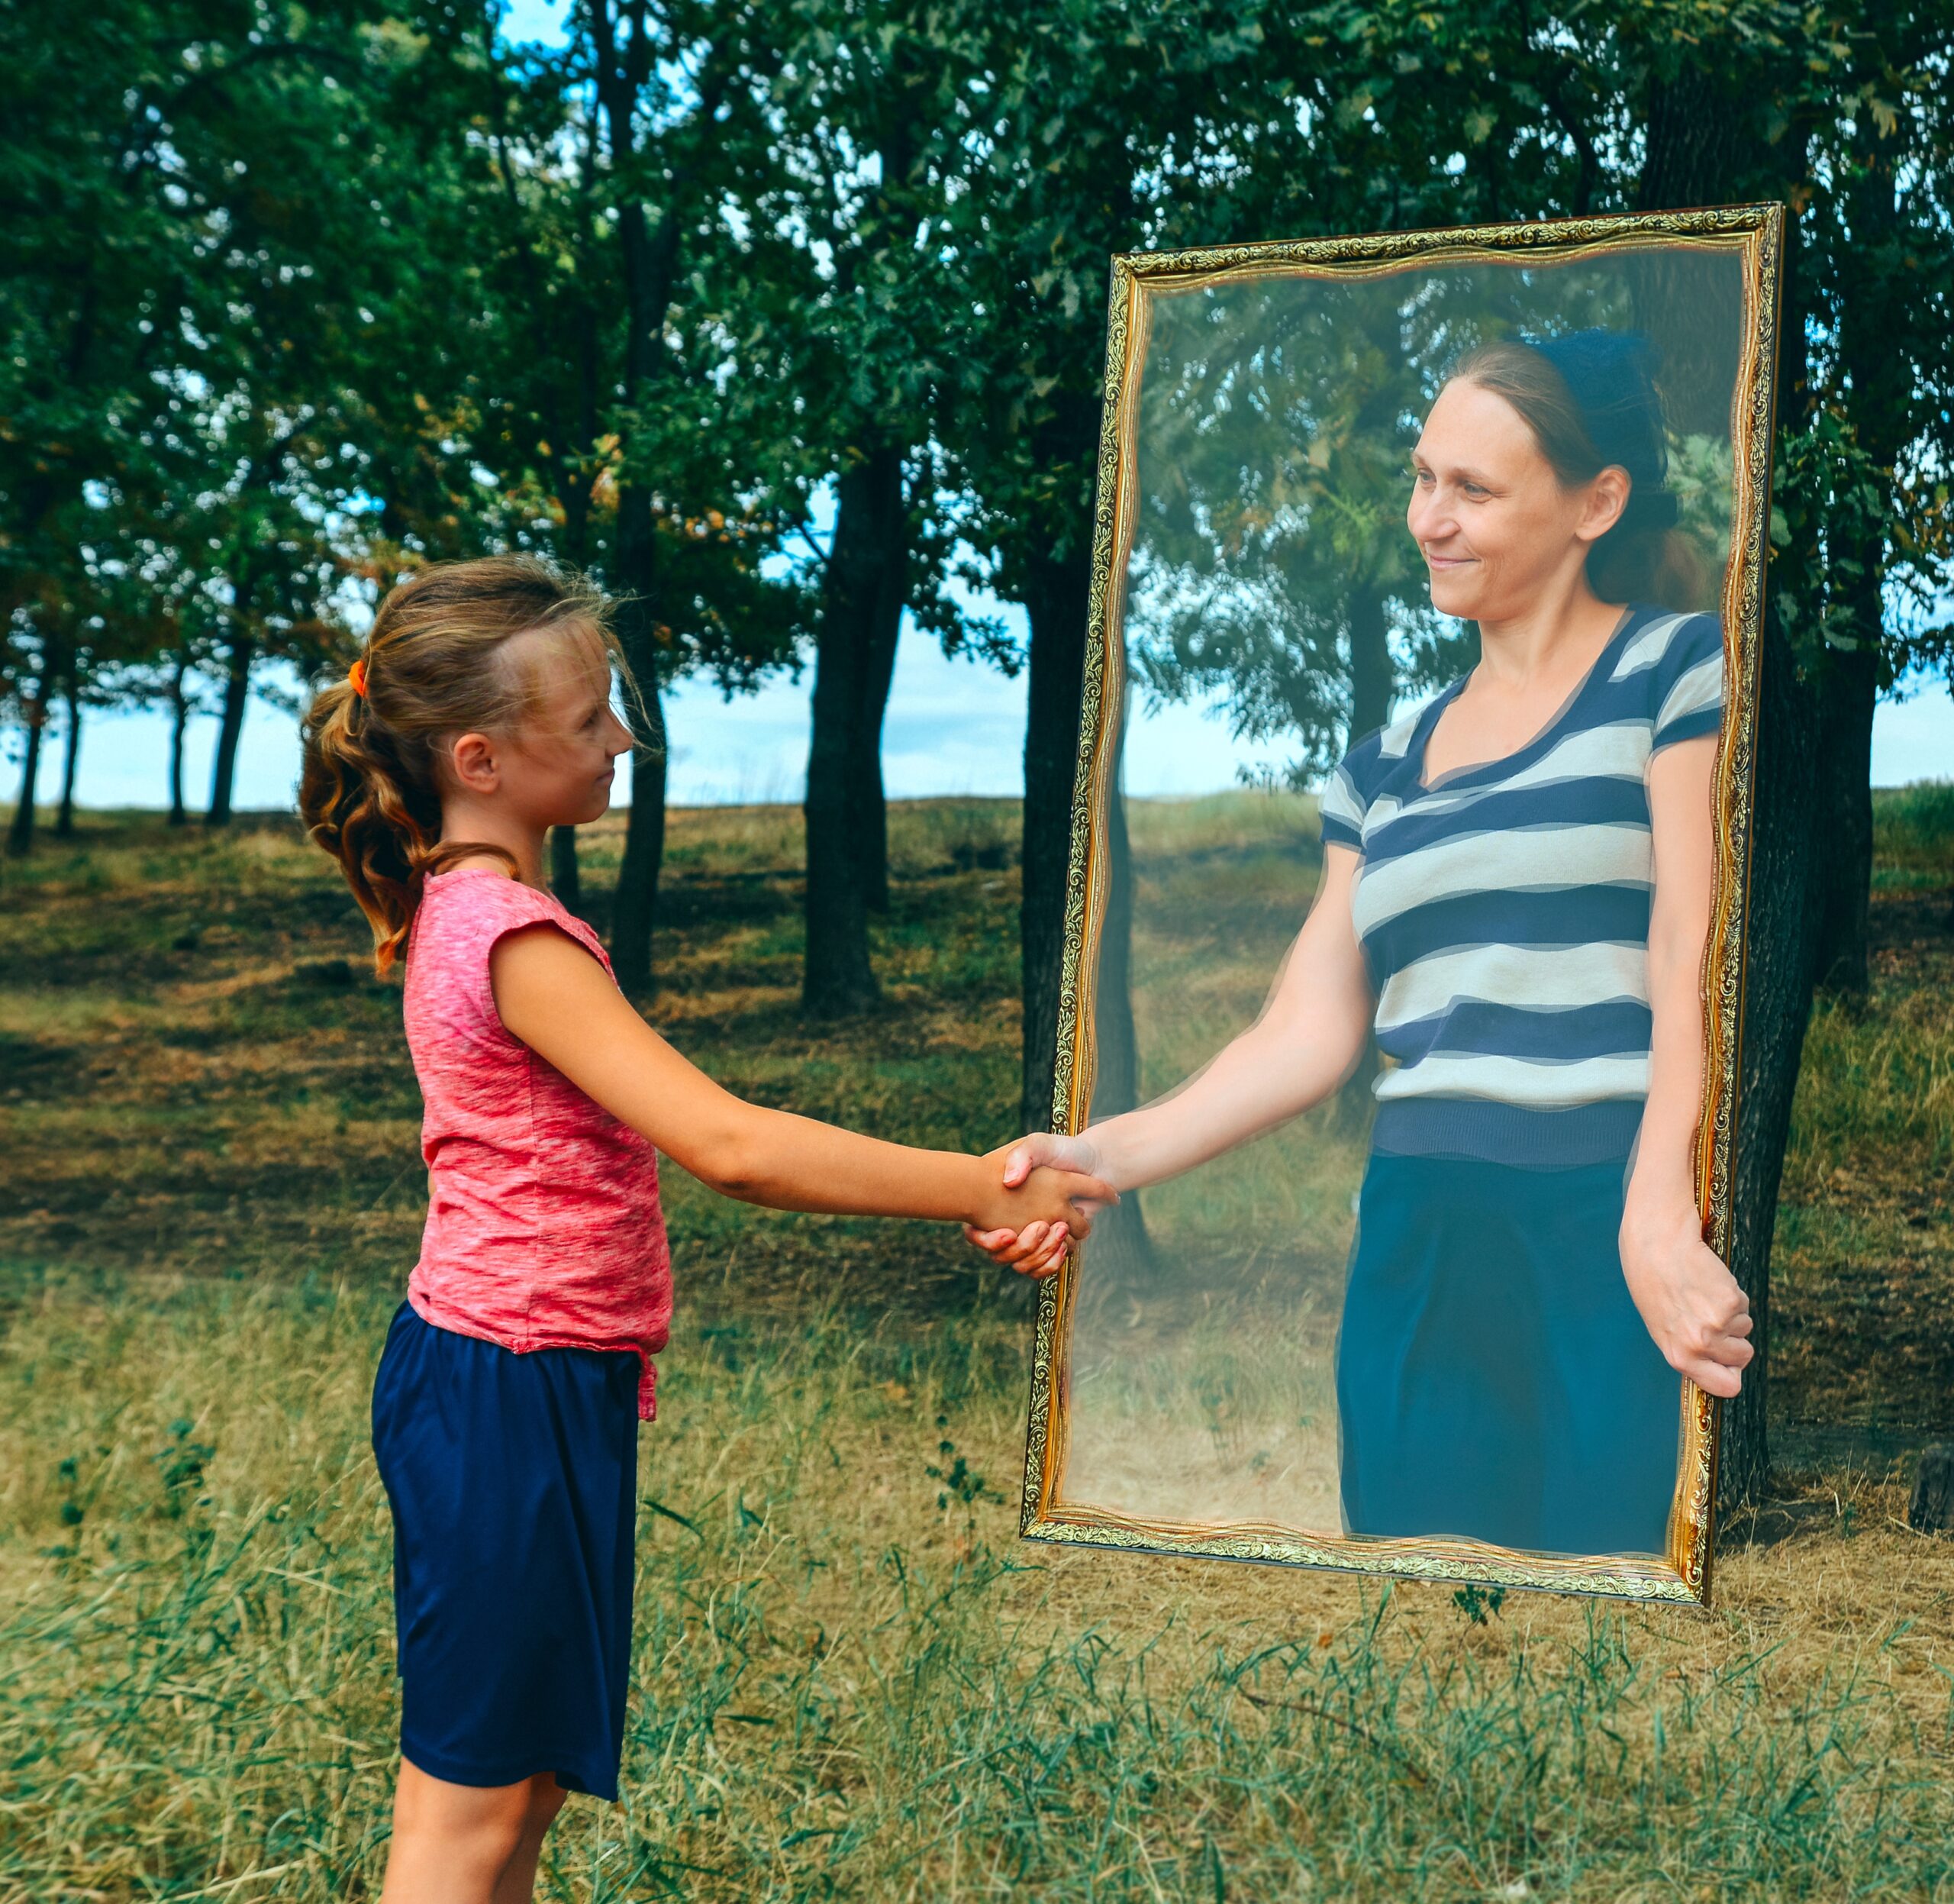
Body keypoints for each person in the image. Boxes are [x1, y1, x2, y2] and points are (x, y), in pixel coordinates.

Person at [298, 557, 1103, 1904]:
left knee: (521, 1789)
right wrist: (977, 1182)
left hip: (536, 1380)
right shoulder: (509, 937)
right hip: (504, 1390)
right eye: (594, 718)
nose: (626, 738)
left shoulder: (487, 914)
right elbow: (731, 1147)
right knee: (468, 1813)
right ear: (484, 759)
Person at [966, 330, 1754, 1559]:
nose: (1428, 518)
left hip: (1602, 1218)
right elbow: (1302, 1033)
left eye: (1474, 488)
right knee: (1425, 1630)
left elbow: (1688, 955)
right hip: (1419, 1234)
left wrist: (1658, 1205)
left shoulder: (1676, 669)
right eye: (1423, 476)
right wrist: (1095, 1154)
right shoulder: (1381, 766)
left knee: (1606, 1632)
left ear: (1596, 501)